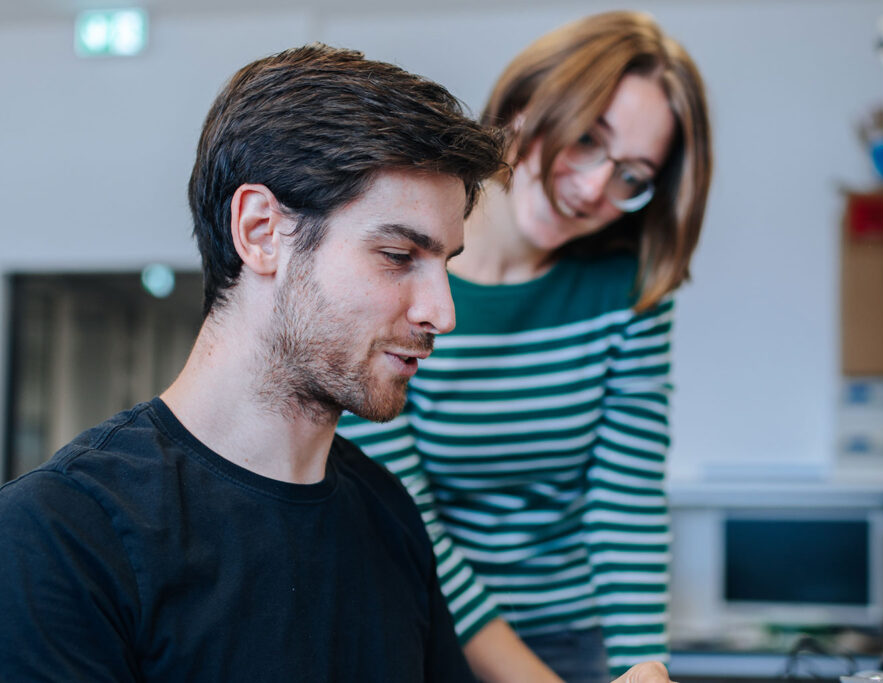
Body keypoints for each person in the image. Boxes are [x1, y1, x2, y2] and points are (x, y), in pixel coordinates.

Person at [0, 44, 503, 682]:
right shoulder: (58, 538)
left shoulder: (386, 513)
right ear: (262, 230)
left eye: (446, 264)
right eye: (400, 256)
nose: (442, 312)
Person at [336, 10, 713, 683]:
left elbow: (624, 499)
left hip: (573, 636)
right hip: (425, 629)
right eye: (588, 140)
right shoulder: (404, 270)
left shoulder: (625, 289)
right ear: (520, 105)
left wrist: (642, 666)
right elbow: (406, 511)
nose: (595, 187)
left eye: (632, 174)